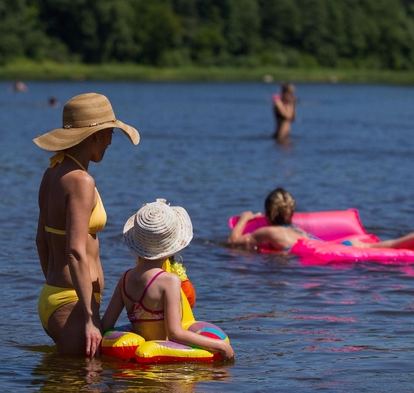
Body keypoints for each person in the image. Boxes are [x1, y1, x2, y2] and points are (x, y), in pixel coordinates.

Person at [34, 93, 140, 356]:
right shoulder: (81, 180)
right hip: (73, 301)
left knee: (71, 386)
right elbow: (75, 251)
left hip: (58, 295)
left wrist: (54, 285)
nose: (111, 142)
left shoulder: (53, 172)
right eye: (109, 134)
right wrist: (91, 317)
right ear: (95, 136)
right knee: (84, 391)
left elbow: (41, 239)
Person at [101, 199, 235, 361]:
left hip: (138, 356)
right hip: (163, 358)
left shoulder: (125, 278)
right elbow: (175, 333)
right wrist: (221, 346)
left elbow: (106, 325)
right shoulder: (169, 281)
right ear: (172, 245)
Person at [228, 188, 414, 251]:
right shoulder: (295, 229)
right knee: (392, 244)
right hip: (344, 245)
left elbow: (234, 242)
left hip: (332, 251)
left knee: (392, 245)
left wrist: (244, 218)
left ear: (267, 212)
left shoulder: (267, 232)